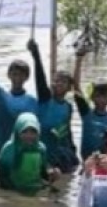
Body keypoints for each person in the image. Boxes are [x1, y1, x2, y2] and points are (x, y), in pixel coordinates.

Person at [0, 40, 38, 160]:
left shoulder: (32, 102)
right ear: (9, 75)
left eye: (21, 75)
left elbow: (36, 129)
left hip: (21, 152)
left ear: (26, 77)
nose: (17, 77)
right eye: (15, 74)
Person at [34, 43, 83, 174]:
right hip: (42, 150)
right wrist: (36, 55)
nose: (58, 83)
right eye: (56, 80)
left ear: (69, 87)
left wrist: (72, 151)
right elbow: (40, 79)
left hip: (60, 152)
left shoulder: (68, 106)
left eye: (63, 81)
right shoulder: (45, 99)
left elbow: (67, 130)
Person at [0, 112, 59, 194]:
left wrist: (52, 175)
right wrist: (16, 193)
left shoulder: (40, 148)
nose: (29, 136)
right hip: (14, 190)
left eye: (33, 132)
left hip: (34, 189)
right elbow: (2, 178)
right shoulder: (9, 149)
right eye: (24, 131)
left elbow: (43, 173)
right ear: (18, 131)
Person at [74, 80, 107, 161]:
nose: (101, 100)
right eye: (98, 96)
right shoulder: (86, 113)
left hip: (106, 162)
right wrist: (78, 66)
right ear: (92, 97)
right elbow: (76, 88)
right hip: (87, 161)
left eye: (105, 96)